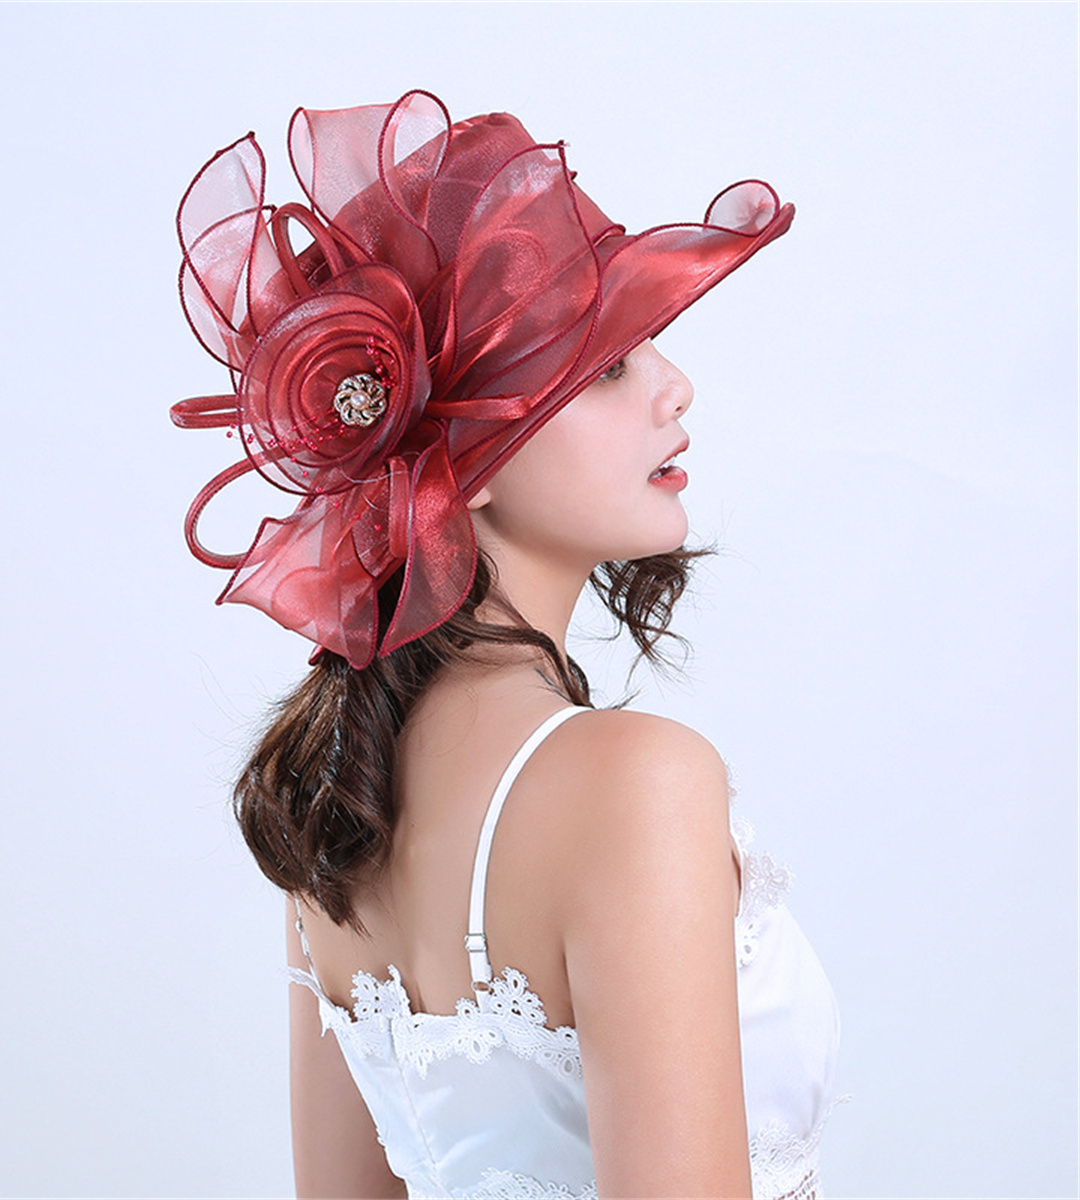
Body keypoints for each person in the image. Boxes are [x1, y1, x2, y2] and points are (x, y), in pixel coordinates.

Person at [172, 91, 842, 1200]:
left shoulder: (339, 802)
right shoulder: (636, 784)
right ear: (462, 469)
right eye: (607, 364)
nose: (676, 384)